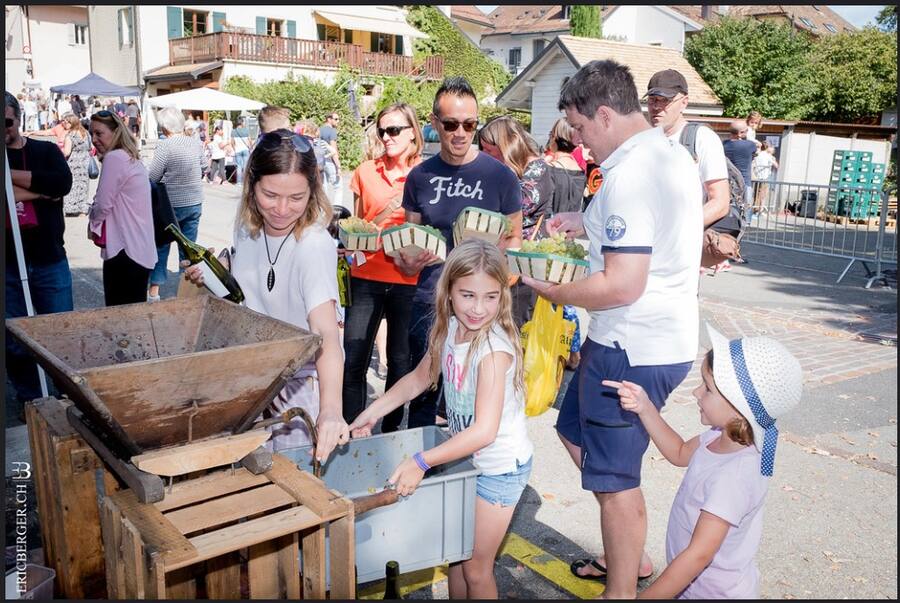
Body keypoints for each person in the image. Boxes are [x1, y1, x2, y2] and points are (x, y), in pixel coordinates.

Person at [523, 60, 703, 598]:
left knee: (615, 480)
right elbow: (645, 234)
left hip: (631, 342)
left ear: (604, 114)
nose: (576, 139)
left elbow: (622, 284)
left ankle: (621, 588)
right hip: (643, 338)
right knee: (574, 431)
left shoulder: (629, 173)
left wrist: (553, 291)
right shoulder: (664, 154)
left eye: (578, 127)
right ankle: (631, 554)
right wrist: (585, 224)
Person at [349, 239, 533, 599]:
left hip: (498, 470)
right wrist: (370, 414)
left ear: (503, 296)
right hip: (465, 459)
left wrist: (421, 461)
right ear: (448, 291)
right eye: (468, 295)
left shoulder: (493, 351)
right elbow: (419, 378)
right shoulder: (451, 328)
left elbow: (484, 431)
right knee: (455, 556)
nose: (478, 308)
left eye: (490, 297)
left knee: (477, 570)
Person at [183, 129, 349, 460]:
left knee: (293, 484)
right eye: (270, 195)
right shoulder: (247, 227)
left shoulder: (313, 245)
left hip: (300, 385)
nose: (282, 210)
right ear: (251, 185)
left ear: (312, 191)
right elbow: (248, 289)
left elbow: (326, 334)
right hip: (254, 376)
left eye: (296, 198)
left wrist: (331, 410)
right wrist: (217, 273)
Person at [607, 324, 802, 598]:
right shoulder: (718, 435)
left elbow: (699, 555)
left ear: (739, 408)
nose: (696, 393)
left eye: (707, 388)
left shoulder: (733, 477)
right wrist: (645, 408)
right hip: (695, 588)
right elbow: (678, 452)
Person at [395, 76, 523, 429]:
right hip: (429, 300)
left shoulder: (502, 178)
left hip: (481, 305)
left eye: (469, 124)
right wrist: (407, 261)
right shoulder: (419, 177)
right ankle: (425, 470)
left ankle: (471, 468)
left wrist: (502, 276)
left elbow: (514, 245)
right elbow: (409, 247)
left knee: (476, 397)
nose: (460, 132)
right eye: (451, 124)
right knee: (424, 394)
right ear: (436, 123)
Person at [342, 103, 422, 431]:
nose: (386, 137)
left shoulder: (424, 175)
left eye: (394, 130)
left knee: (400, 362)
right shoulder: (365, 171)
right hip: (365, 276)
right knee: (354, 359)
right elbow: (359, 222)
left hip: (408, 279)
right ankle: (348, 430)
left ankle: (388, 434)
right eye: (382, 130)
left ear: (413, 132)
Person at [4, 90, 74, 407]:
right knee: (15, 341)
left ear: (18, 119)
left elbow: (61, 184)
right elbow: (49, 189)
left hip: (48, 259)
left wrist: (10, 180)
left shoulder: (45, 150)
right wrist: (39, 191)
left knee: (60, 335)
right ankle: (31, 400)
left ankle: (66, 398)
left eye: (6, 122)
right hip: (7, 266)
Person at [644, 69, 732, 273]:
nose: (656, 107)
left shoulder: (702, 138)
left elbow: (720, 202)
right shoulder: (645, 141)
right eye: (652, 100)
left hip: (679, 253)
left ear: (684, 102)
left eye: (664, 100)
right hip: (645, 250)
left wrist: (677, 231)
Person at [477, 115, 552, 326]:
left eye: (489, 150)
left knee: (513, 328)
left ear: (506, 146)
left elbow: (518, 204)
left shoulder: (537, 169)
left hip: (522, 267)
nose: (484, 155)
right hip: (498, 260)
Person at [88, 110, 157, 306]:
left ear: (116, 131)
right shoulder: (128, 156)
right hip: (138, 248)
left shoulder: (115, 158)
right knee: (132, 318)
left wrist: (92, 218)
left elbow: (102, 204)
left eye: (99, 133)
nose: (94, 139)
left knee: (120, 319)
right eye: (91, 133)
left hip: (124, 249)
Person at [147, 106, 207, 302]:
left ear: (164, 128)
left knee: (161, 247)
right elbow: (205, 166)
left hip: (170, 206)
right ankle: (186, 293)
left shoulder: (165, 146)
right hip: (194, 201)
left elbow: (153, 176)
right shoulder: (195, 143)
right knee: (189, 249)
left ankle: (154, 293)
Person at [543, 117, 588, 215]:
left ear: (554, 138)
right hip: (574, 226)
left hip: (552, 226)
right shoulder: (582, 173)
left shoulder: (547, 170)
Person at [722, 119, 758, 224]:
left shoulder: (724, 144)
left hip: (727, 183)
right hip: (745, 183)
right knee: (745, 212)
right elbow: (756, 150)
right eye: (746, 131)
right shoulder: (749, 145)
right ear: (741, 133)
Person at [60, 113, 92, 216]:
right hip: (85, 162)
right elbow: (90, 148)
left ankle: (71, 209)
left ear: (71, 123)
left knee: (72, 186)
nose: (64, 123)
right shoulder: (86, 133)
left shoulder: (70, 136)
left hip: (74, 164)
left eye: (66, 121)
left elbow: (67, 152)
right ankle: (82, 210)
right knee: (83, 186)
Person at [751, 142, 779, 216]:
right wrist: (773, 160)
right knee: (763, 195)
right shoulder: (767, 156)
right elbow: (776, 165)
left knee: (756, 194)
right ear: (768, 148)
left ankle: (755, 210)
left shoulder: (758, 154)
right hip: (764, 177)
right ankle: (759, 210)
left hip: (756, 177)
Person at [231, 116, 251, 184]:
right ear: (242, 122)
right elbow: (249, 140)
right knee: (245, 166)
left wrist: (234, 148)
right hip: (245, 149)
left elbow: (232, 142)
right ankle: (245, 181)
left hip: (237, 150)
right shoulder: (246, 130)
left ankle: (239, 182)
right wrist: (250, 147)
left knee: (239, 166)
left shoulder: (233, 131)